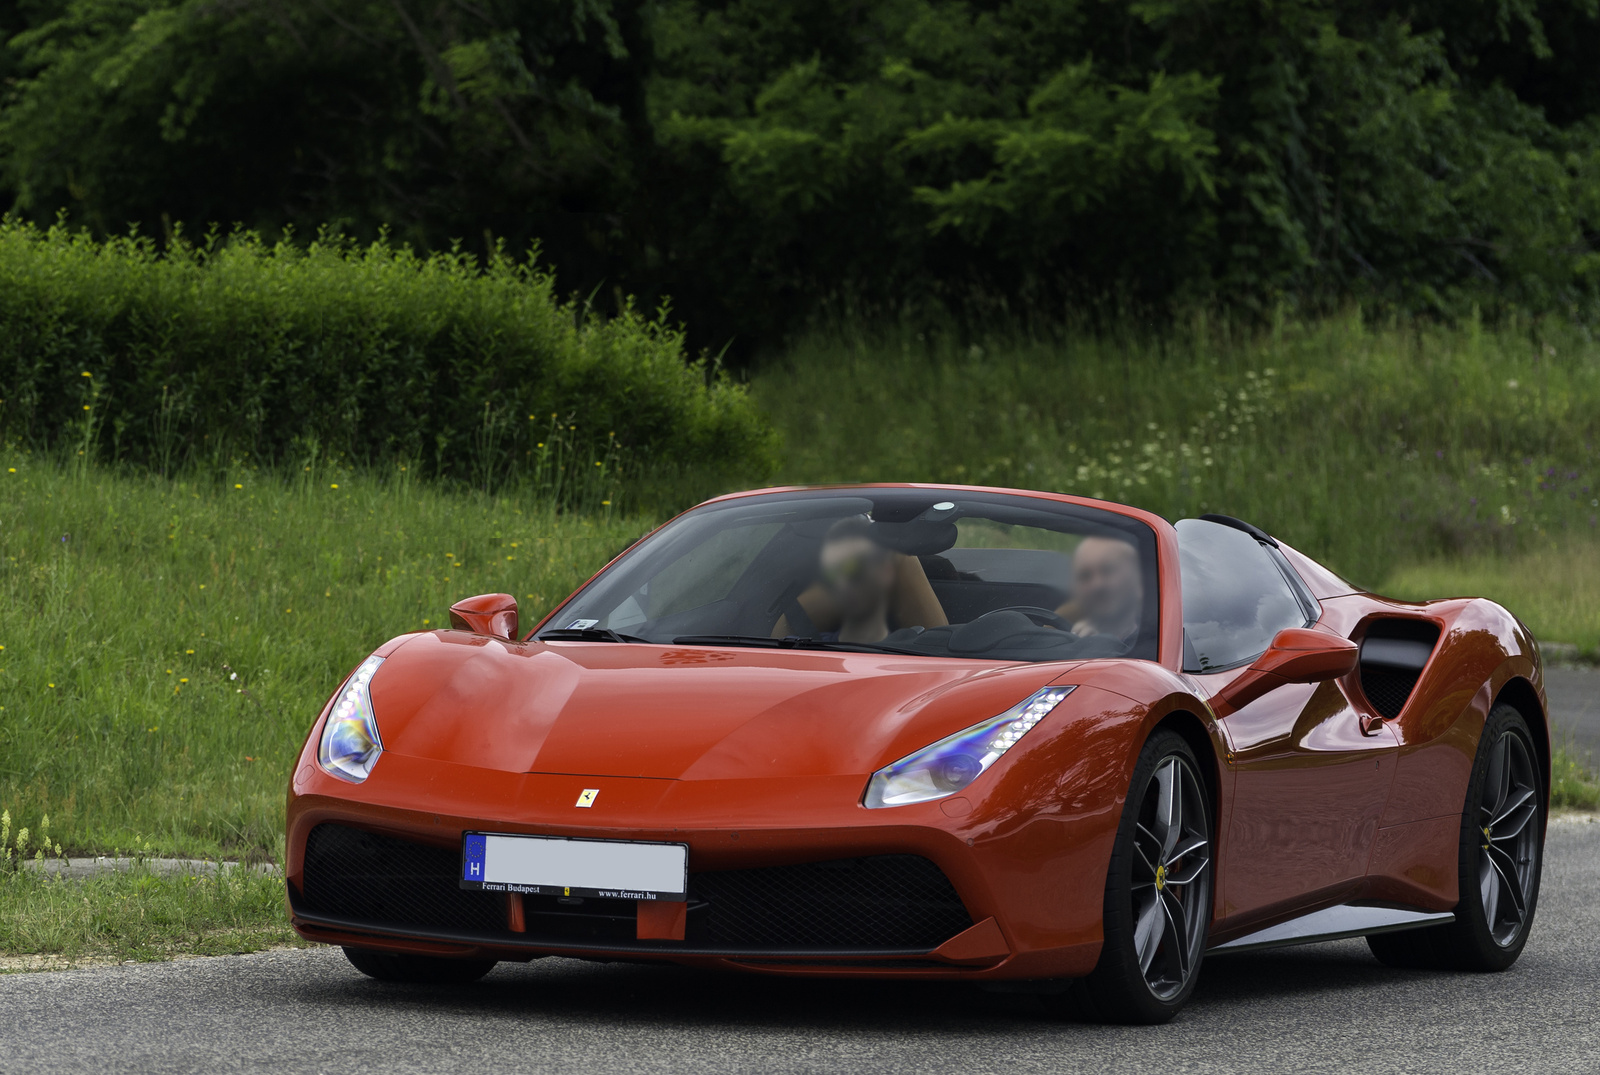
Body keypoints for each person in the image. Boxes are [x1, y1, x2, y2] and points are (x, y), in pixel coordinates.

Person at [816, 516, 898, 644]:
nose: (841, 584)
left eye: (853, 569)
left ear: (885, 571)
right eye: (831, 574)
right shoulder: (800, 649)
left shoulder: (917, 656)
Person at [1060, 535, 1143, 646]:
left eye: (1108, 570)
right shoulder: (1059, 641)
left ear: (1138, 582)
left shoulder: (1161, 646)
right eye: (1085, 576)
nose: (1097, 585)